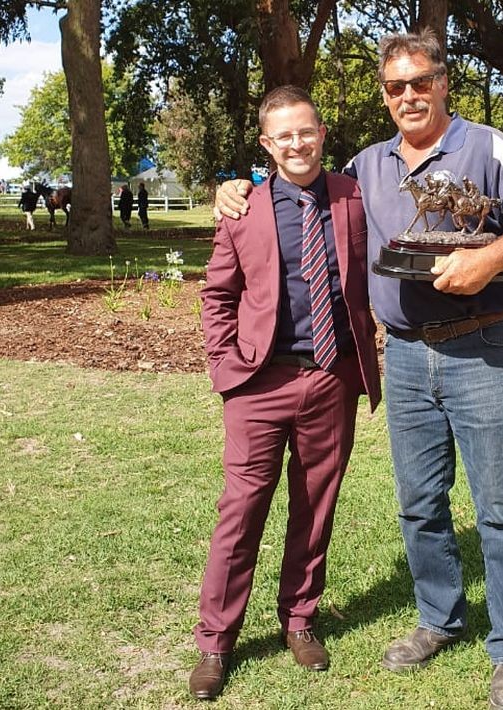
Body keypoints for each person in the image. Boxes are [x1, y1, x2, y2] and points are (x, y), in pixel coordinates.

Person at [216, 30, 503, 710]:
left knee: (500, 508)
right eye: (395, 87)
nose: (408, 95)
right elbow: (299, 184)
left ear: (442, 83)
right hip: (403, 356)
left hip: (482, 348)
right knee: (419, 503)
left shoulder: (486, 145)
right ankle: (439, 617)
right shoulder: (367, 166)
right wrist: (235, 186)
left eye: (420, 82)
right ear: (384, 96)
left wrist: (487, 260)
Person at [188, 85, 381, 701]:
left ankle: (299, 618)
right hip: (258, 383)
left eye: (307, 131)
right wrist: (226, 364)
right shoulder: (243, 209)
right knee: (241, 510)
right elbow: (217, 295)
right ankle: (216, 641)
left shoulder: (355, 197)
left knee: (316, 504)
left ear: (322, 133)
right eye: (284, 136)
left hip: (330, 377)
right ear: (267, 145)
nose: (297, 144)